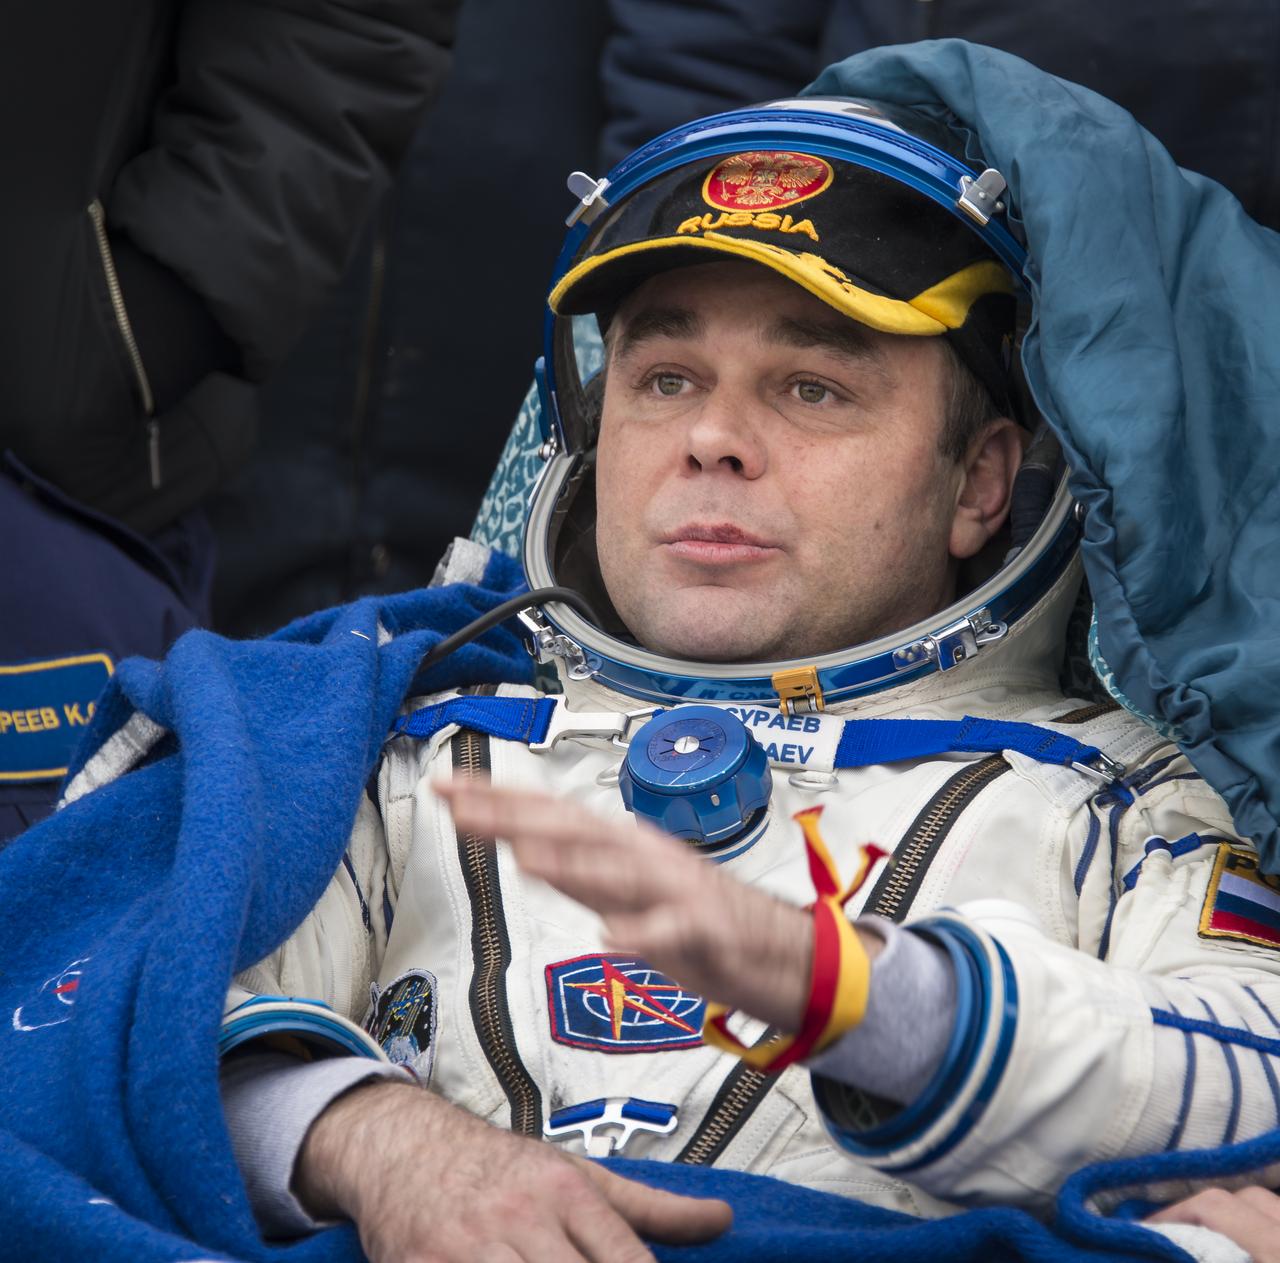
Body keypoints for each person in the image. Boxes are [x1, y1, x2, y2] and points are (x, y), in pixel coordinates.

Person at [212, 93, 1280, 1262]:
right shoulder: (378, 743)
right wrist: (373, 1142)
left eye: (809, 388)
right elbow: (121, 1048)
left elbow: (1247, 1077)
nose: (709, 438)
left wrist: (847, 991)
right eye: (665, 377)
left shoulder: (1130, 799)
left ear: (979, 483)